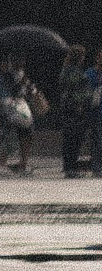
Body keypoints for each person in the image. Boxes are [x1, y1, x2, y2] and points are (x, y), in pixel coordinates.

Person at [56, 45, 94, 177]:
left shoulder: (65, 70)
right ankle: (71, 167)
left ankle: (69, 166)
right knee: (74, 138)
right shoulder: (74, 72)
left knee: (69, 138)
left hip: (67, 107)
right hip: (75, 108)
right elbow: (77, 91)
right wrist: (80, 104)